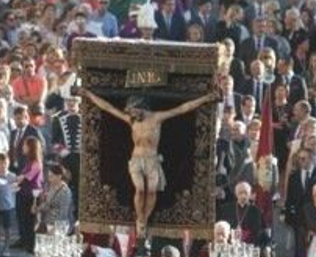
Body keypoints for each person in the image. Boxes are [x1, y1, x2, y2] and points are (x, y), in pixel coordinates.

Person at [79, 90, 218, 235]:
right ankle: (140, 219)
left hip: (152, 160)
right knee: (139, 189)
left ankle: (144, 219)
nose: (131, 114)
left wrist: (206, 98)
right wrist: (88, 95)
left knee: (151, 191)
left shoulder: (156, 118)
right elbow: (108, 108)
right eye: (130, 112)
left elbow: (183, 108)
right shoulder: (131, 120)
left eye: (133, 110)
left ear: (141, 107)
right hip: (136, 160)